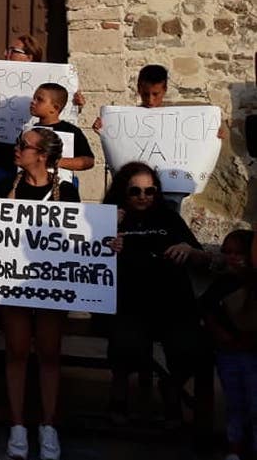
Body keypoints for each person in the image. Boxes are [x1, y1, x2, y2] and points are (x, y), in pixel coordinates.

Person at [0, 127, 79, 460]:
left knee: (49, 354)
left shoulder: (67, 193)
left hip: (49, 286)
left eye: (23, 145)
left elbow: (78, 236)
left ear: (42, 156)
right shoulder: (6, 186)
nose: (16, 149)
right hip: (13, 285)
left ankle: (48, 426)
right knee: (16, 353)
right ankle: (17, 426)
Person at [102, 162, 211, 431]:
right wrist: (104, 235)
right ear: (123, 192)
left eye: (149, 191)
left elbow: (203, 258)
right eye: (135, 191)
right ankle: (120, 391)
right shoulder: (109, 217)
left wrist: (188, 249)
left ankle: (171, 386)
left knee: (189, 345)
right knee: (124, 341)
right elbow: (84, 256)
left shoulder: (169, 218)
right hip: (128, 301)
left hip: (171, 301)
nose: (143, 197)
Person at [200, 229, 257, 460]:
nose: (233, 258)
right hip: (230, 352)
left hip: (251, 353)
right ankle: (235, 446)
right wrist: (219, 333)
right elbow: (206, 308)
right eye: (227, 253)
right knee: (235, 402)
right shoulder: (223, 283)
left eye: (239, 252)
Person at [0, 35, 45, 193]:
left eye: (12, 51)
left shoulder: (46, 82)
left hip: (31, 156)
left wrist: (75, 103)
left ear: (29, 57)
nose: (5, 54)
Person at [29, 83, 95, 174]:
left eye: (39, 100)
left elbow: (89, 161)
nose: (33, 102)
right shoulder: (29, 131)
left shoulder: (71, 130)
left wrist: (57, 162)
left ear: (55, 108)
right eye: (34, 98)